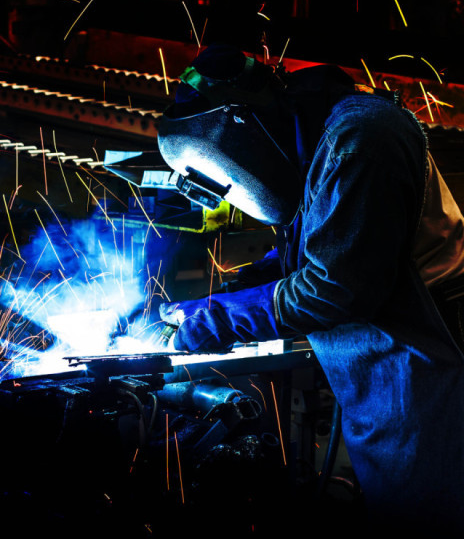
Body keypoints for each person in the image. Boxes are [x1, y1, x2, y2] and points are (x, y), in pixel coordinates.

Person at [157, 44, 464, 531]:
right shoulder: (315, 138)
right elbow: (324, 245)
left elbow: (334, 285)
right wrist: (236, 289)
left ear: (244, 131)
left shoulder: (360, 138)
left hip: (433, 367)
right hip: (389, 370)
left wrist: (221, 319)